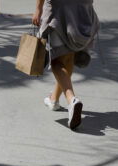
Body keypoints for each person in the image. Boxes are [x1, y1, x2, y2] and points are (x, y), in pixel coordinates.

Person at [32, 0, 99, 130]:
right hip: (82, 9)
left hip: (59, 11)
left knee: (56, 60)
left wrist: (38, 9)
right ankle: (53, 100)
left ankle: (71, 99)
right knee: (68, 56)